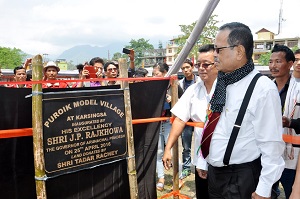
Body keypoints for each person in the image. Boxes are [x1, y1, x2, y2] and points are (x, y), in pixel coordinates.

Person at [165, 22, 285, 198]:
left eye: (218, 49)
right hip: (215, 175)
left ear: (239, 52)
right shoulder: (221, 83)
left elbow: (271, 145)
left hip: (241, 178)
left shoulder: (262, 89)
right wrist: (204, 161)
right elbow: (212, 125)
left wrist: (264, 189)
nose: (214, 55)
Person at [163, 44, 217, 198]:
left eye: (206, 64)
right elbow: (180, 119)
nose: (201, 68)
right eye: (199, 64)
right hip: (202, 157)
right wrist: (168, 149)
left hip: (226, 161)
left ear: (217, 64)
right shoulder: (193, 90)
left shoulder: (229, 89)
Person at [269, 44, 300, 199]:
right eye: (271, 61)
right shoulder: (266, 88)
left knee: (291, 192)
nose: (273, 66)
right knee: (267, 192)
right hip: (268, 153)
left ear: (290, 64)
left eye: (278, 62)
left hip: (292, 156)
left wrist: (290, 123)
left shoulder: (298, 90)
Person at [154, 63, 183, 191]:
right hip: (156, 123)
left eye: (157, 74)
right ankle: (161, 178)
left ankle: (179, 177)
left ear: (165, 72)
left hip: (169, 122)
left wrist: (173, 101)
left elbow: (183, 104)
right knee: (159, 151)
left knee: (173, 150)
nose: (154, 76)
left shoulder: (174, 85)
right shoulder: (152, 87)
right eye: (153, 74)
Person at [177, 59, 201, 183]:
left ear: (192, 67)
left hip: (198, 119)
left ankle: (200, 165)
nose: (186, 70)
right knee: (186, 146)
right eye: (183, 68)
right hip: (185, 120)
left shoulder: (200, 81)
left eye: (187, 67)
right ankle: (186, 168)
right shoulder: (179, 83)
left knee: (201, 144)